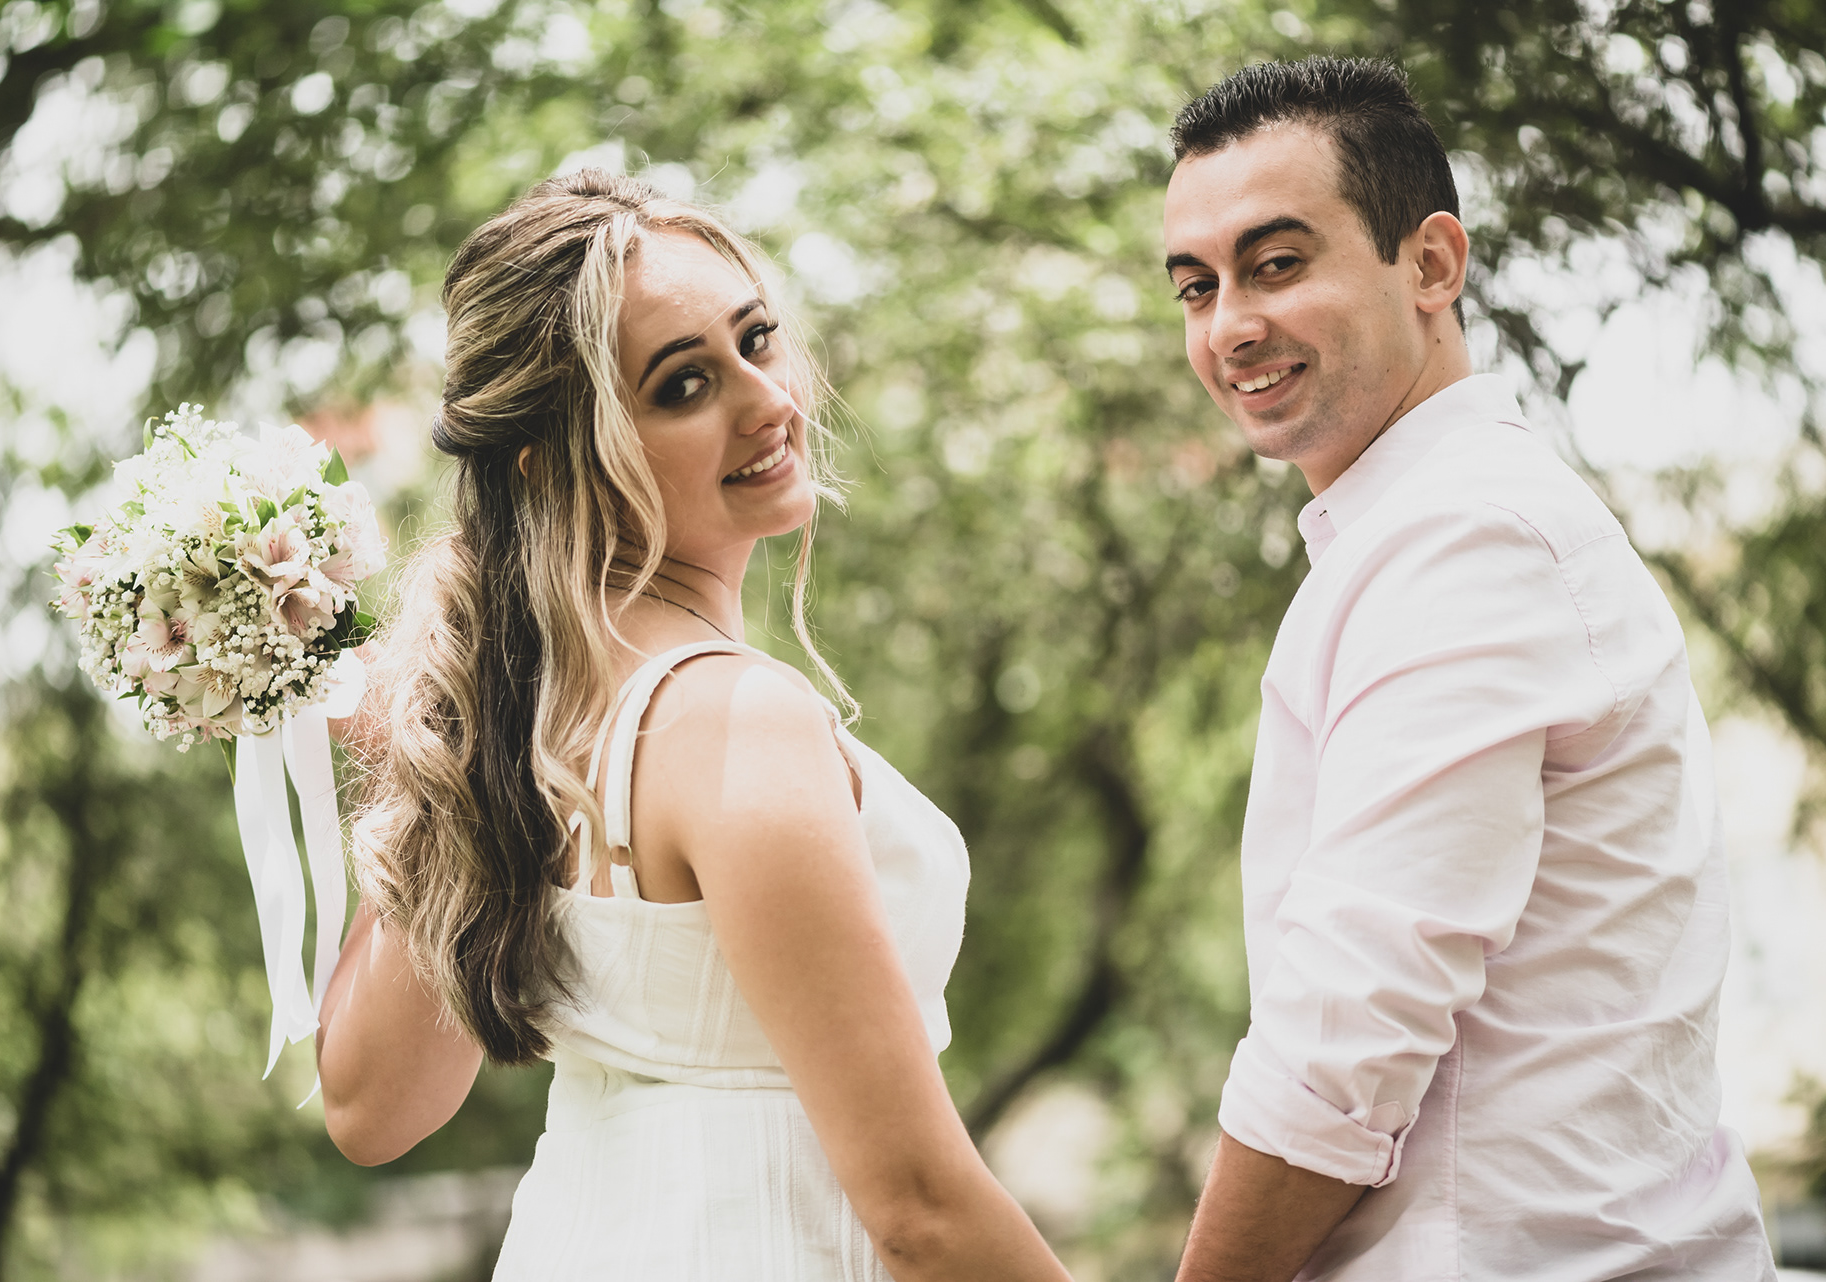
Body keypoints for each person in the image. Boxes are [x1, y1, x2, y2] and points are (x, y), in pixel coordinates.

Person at [313, 171, 1068, 1282]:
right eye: (683, 386)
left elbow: (367, 1111)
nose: (767, 401)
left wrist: (430, 747)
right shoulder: (732, 720)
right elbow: (919, 1211)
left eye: (756, 339)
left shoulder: (525, 728)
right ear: (551, 460)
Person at [1158, 58, 1775, 1282]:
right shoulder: (1422, 530)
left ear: (1433, 263)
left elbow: (1343, 1042)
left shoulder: (1464, 536)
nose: (1229, 325)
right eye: (1197, 286)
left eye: (1276, 263)